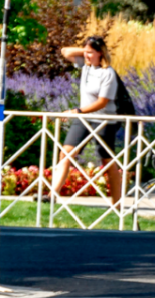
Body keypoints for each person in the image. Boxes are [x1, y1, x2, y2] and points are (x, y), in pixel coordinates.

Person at [54, 36, 126, 203]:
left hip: (104, 119)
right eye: (85, 52)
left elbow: (102, 102)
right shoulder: (85, 65)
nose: (86, 56)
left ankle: (117, 204)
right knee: (65, 154)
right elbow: (65, 51)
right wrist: (87, 51)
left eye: (91, 53)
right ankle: (50, 196)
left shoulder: (108, 73)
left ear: (100, 53)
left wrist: (76, 111)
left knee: (107, 161)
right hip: (84, 117)